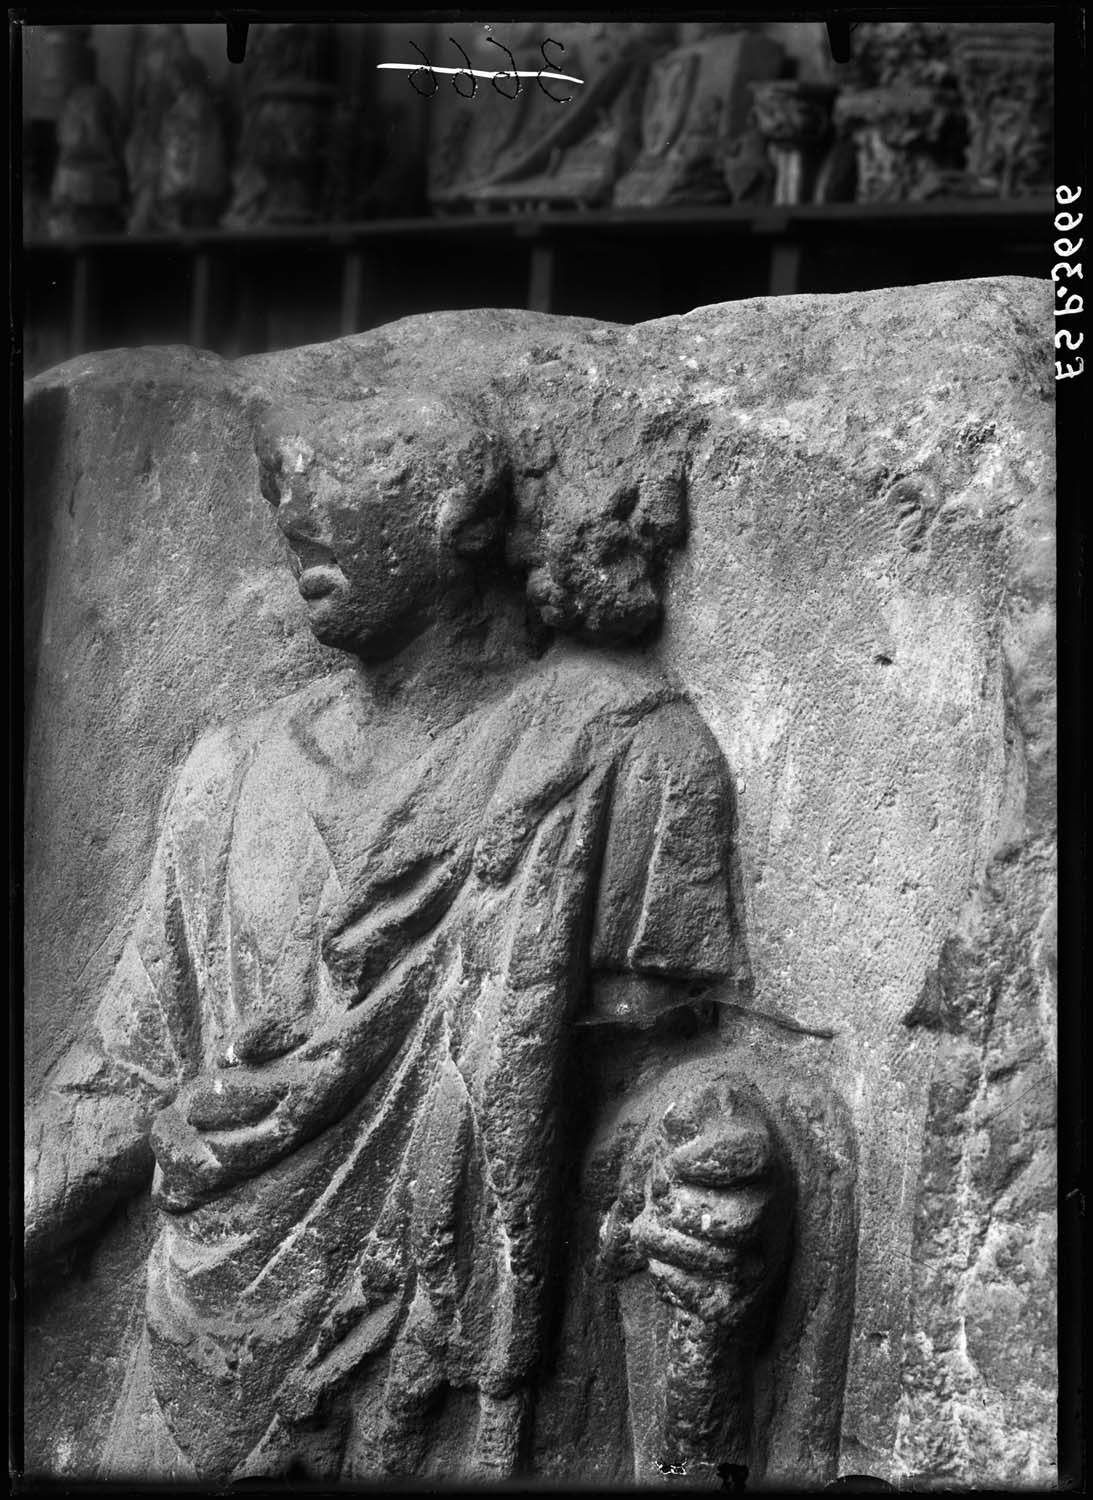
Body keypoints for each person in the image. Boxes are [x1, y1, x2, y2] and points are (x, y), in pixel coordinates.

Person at [25, 384, 790, 1481]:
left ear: (466, 513)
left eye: (352, 469)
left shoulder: (621, 754)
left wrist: (713, 1179)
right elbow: (120, 1081)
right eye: (282, 481)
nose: (296, 507)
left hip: (445, 1348)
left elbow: (647, 1083)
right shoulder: (227, 773)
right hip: (198, 1341)